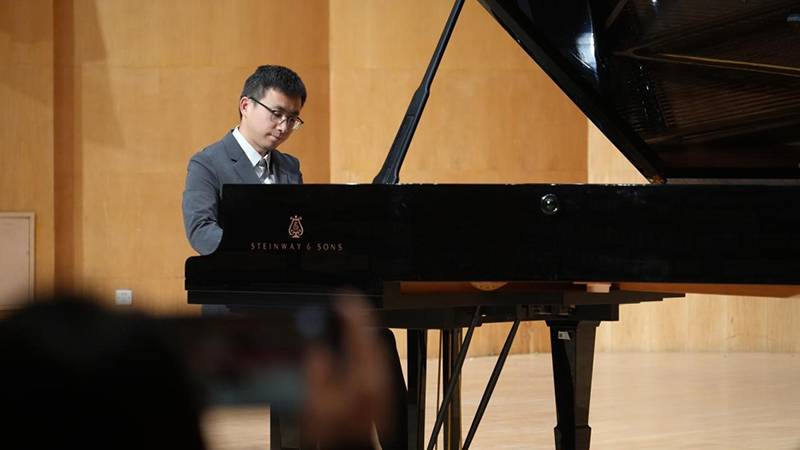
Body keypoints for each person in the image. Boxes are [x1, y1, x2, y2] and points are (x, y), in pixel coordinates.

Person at [181, 65, 408, 450]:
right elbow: (200, 230)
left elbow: (298, 236)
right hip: (240, 308)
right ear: (246, 106)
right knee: (311, 353)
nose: (284, 126)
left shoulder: (289, 166)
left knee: (377, 340)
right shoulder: (208, 163)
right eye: (277, 114)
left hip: (290, 302)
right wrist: (255, 257)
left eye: (293, 118)